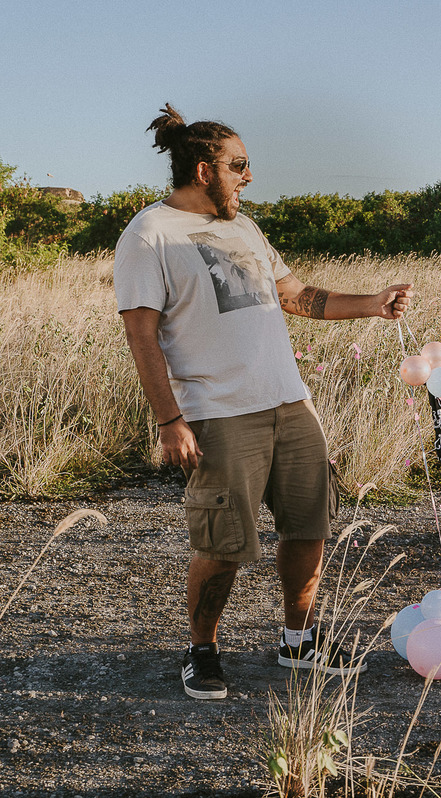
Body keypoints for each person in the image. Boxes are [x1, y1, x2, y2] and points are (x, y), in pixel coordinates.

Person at [114, 104, 414, 700]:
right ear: (204, 169)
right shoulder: (149, 234)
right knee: (221, 544)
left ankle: (298, 642)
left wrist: (374, 304)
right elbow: (141, 335)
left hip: (289, 403)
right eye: (240, 166)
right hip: (217, 413)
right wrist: (170, 419)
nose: (249, 177)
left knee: (308, 527)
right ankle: (202, 650)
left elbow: (296, 296)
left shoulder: (245, 228)